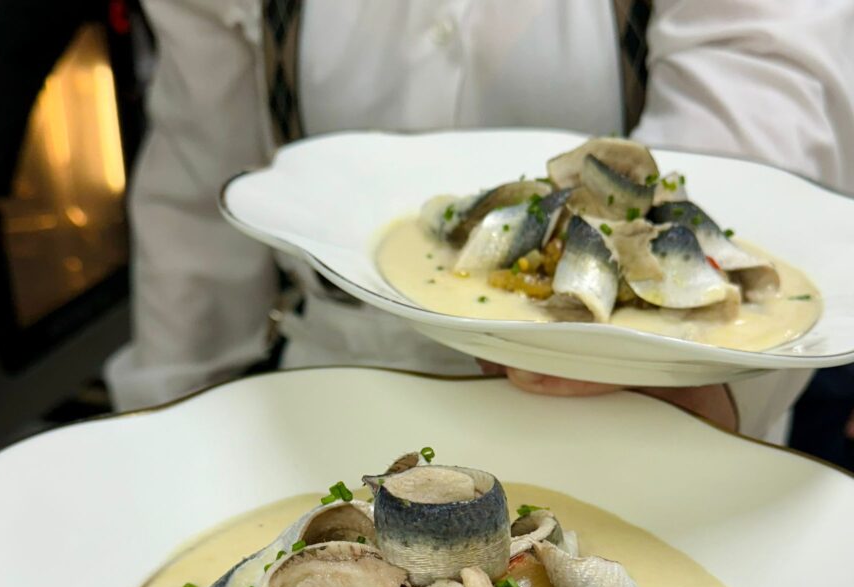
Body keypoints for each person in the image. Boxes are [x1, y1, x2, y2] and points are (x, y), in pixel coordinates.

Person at [105, 0, 854, 443]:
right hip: (329, 401)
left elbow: (760, 133)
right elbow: (199, 191)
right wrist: (159, 427)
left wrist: (702, 397)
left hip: (641, 412)